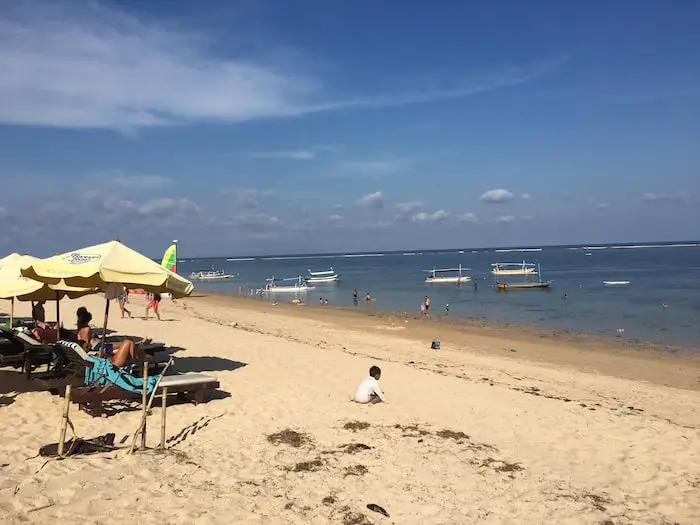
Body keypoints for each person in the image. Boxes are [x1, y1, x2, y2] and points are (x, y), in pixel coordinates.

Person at [76, 307, 146, 368]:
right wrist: (98, 352)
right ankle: (138, 362)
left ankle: (139, 357)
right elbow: (87, 345)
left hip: (100, 345)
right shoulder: (86, 329)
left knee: (130, 343)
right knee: (130, 343)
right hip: (99, 347)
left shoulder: (79, 329)